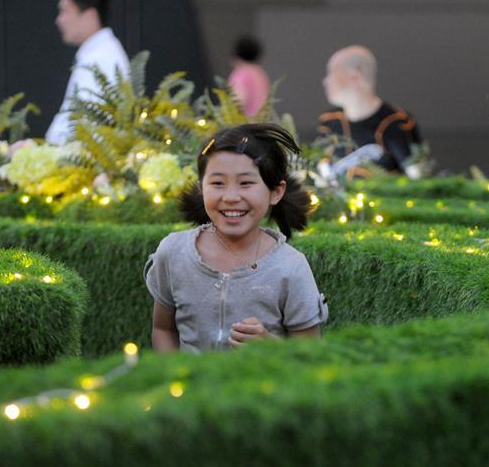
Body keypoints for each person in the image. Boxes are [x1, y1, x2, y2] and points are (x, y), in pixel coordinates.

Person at [145, 123, 328, 353]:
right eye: (218, 183)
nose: (231, 197)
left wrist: (269, 346)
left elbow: (311, 355)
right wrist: (174, 381)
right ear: (202, 187)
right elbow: (164, 330)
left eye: (246, 183)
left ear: (275, 192)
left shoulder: (290, 267)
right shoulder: (173, 252)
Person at [45, 0, 129, 144]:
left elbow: (87, 130)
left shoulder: (103, 59)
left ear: (90, 16)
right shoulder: (97, 55)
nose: (59, 20)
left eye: (65, 11)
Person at [319, 45, 423, 177]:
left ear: (355, 77)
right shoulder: (330, 121)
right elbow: (322, 172)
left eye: (332, 73)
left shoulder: (396, 123)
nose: (326, 81)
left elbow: (418, 178)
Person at [227, 36, 270, 118]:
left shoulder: (241, 73)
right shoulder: (259, 72)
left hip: (246, 125)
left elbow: (237, 102)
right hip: (261, 123)